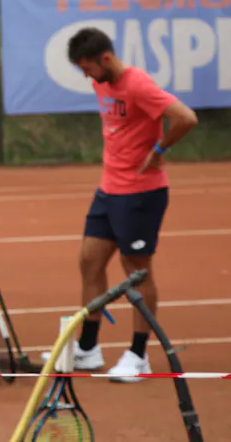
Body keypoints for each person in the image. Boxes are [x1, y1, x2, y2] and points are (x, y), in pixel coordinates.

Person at [63, 27, 198, 382]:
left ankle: (138, 356)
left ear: (106, 59)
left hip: (141, 192)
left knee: (135, 269)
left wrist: (158, 150)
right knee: (89, 260)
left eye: (88, 67)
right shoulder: (100, 83)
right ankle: (88, 349)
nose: (85, 75)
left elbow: (185, 117)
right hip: (108, 190)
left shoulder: (138, 85)